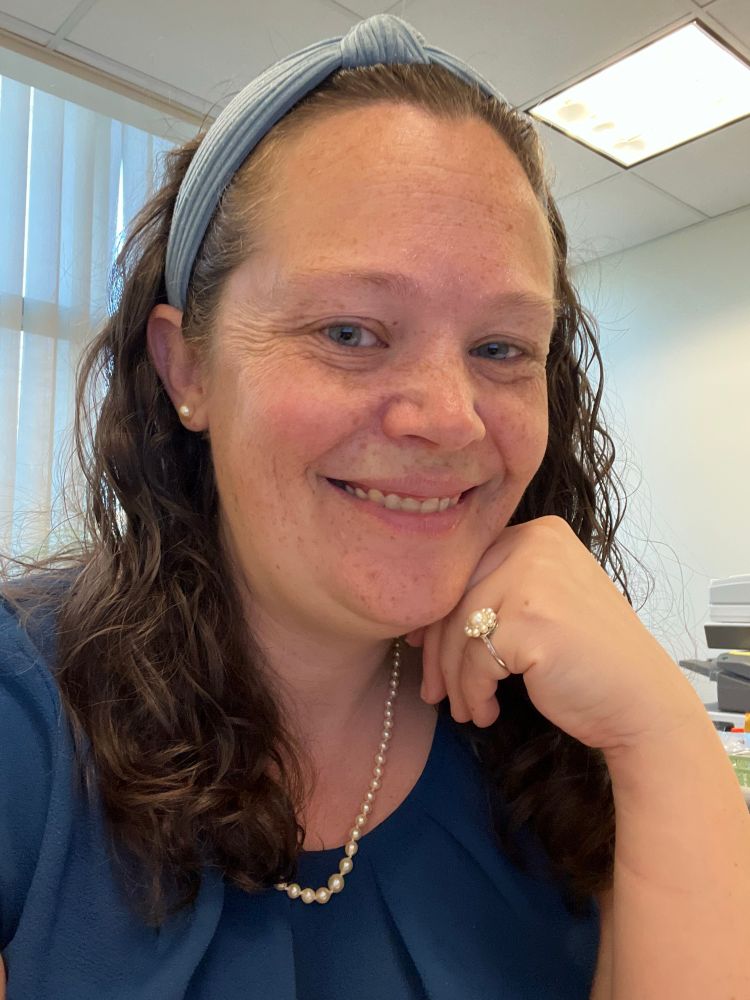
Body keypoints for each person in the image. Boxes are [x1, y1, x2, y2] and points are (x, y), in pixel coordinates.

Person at [1, 13, 748, 999]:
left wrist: (664, 733)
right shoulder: (26, 723)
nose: (448, 418)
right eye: (351, 330)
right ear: (188, 367)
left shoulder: (558, 739)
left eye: (502, 348)